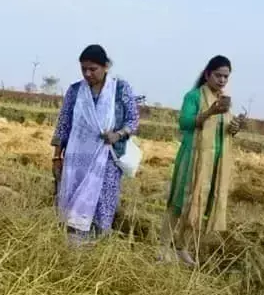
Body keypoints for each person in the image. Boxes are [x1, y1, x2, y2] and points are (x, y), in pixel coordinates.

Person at [51, 45, 140, 243]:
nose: (88, 74)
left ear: (106, 66)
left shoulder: (120, 89)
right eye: (84, 69)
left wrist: (118, 134)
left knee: (102, 206)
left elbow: (133, 121)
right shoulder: (75, 91)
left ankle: (96, 249)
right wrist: (57, 156)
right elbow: (64, 125)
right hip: (77, 159)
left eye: (93, 69)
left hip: (106, 159)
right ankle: (73, 248)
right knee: (73, 204)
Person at [160, 56, 242, 265]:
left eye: (226, 76)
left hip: (213, 162)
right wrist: (211, 111)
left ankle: (181, 247)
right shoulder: (194, 96)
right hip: (192, 157)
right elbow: (185, 123)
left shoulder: (224, 101)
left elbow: (222, 131)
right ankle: (163, 247)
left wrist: (234, 127)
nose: (222, 80)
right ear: (207, 74)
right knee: (180, 201)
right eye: (218, 75)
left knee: (199, 205)